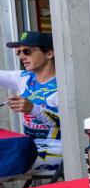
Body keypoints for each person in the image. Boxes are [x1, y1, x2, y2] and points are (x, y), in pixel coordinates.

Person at [0, 31, 61, 174]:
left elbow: (71, 125)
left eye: (27, 51)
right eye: (19, 52)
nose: (21, 56)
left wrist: (33, 109)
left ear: (49, 54)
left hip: (59, 147)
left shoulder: (63, 84)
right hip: (27, 145)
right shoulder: (24, 77)